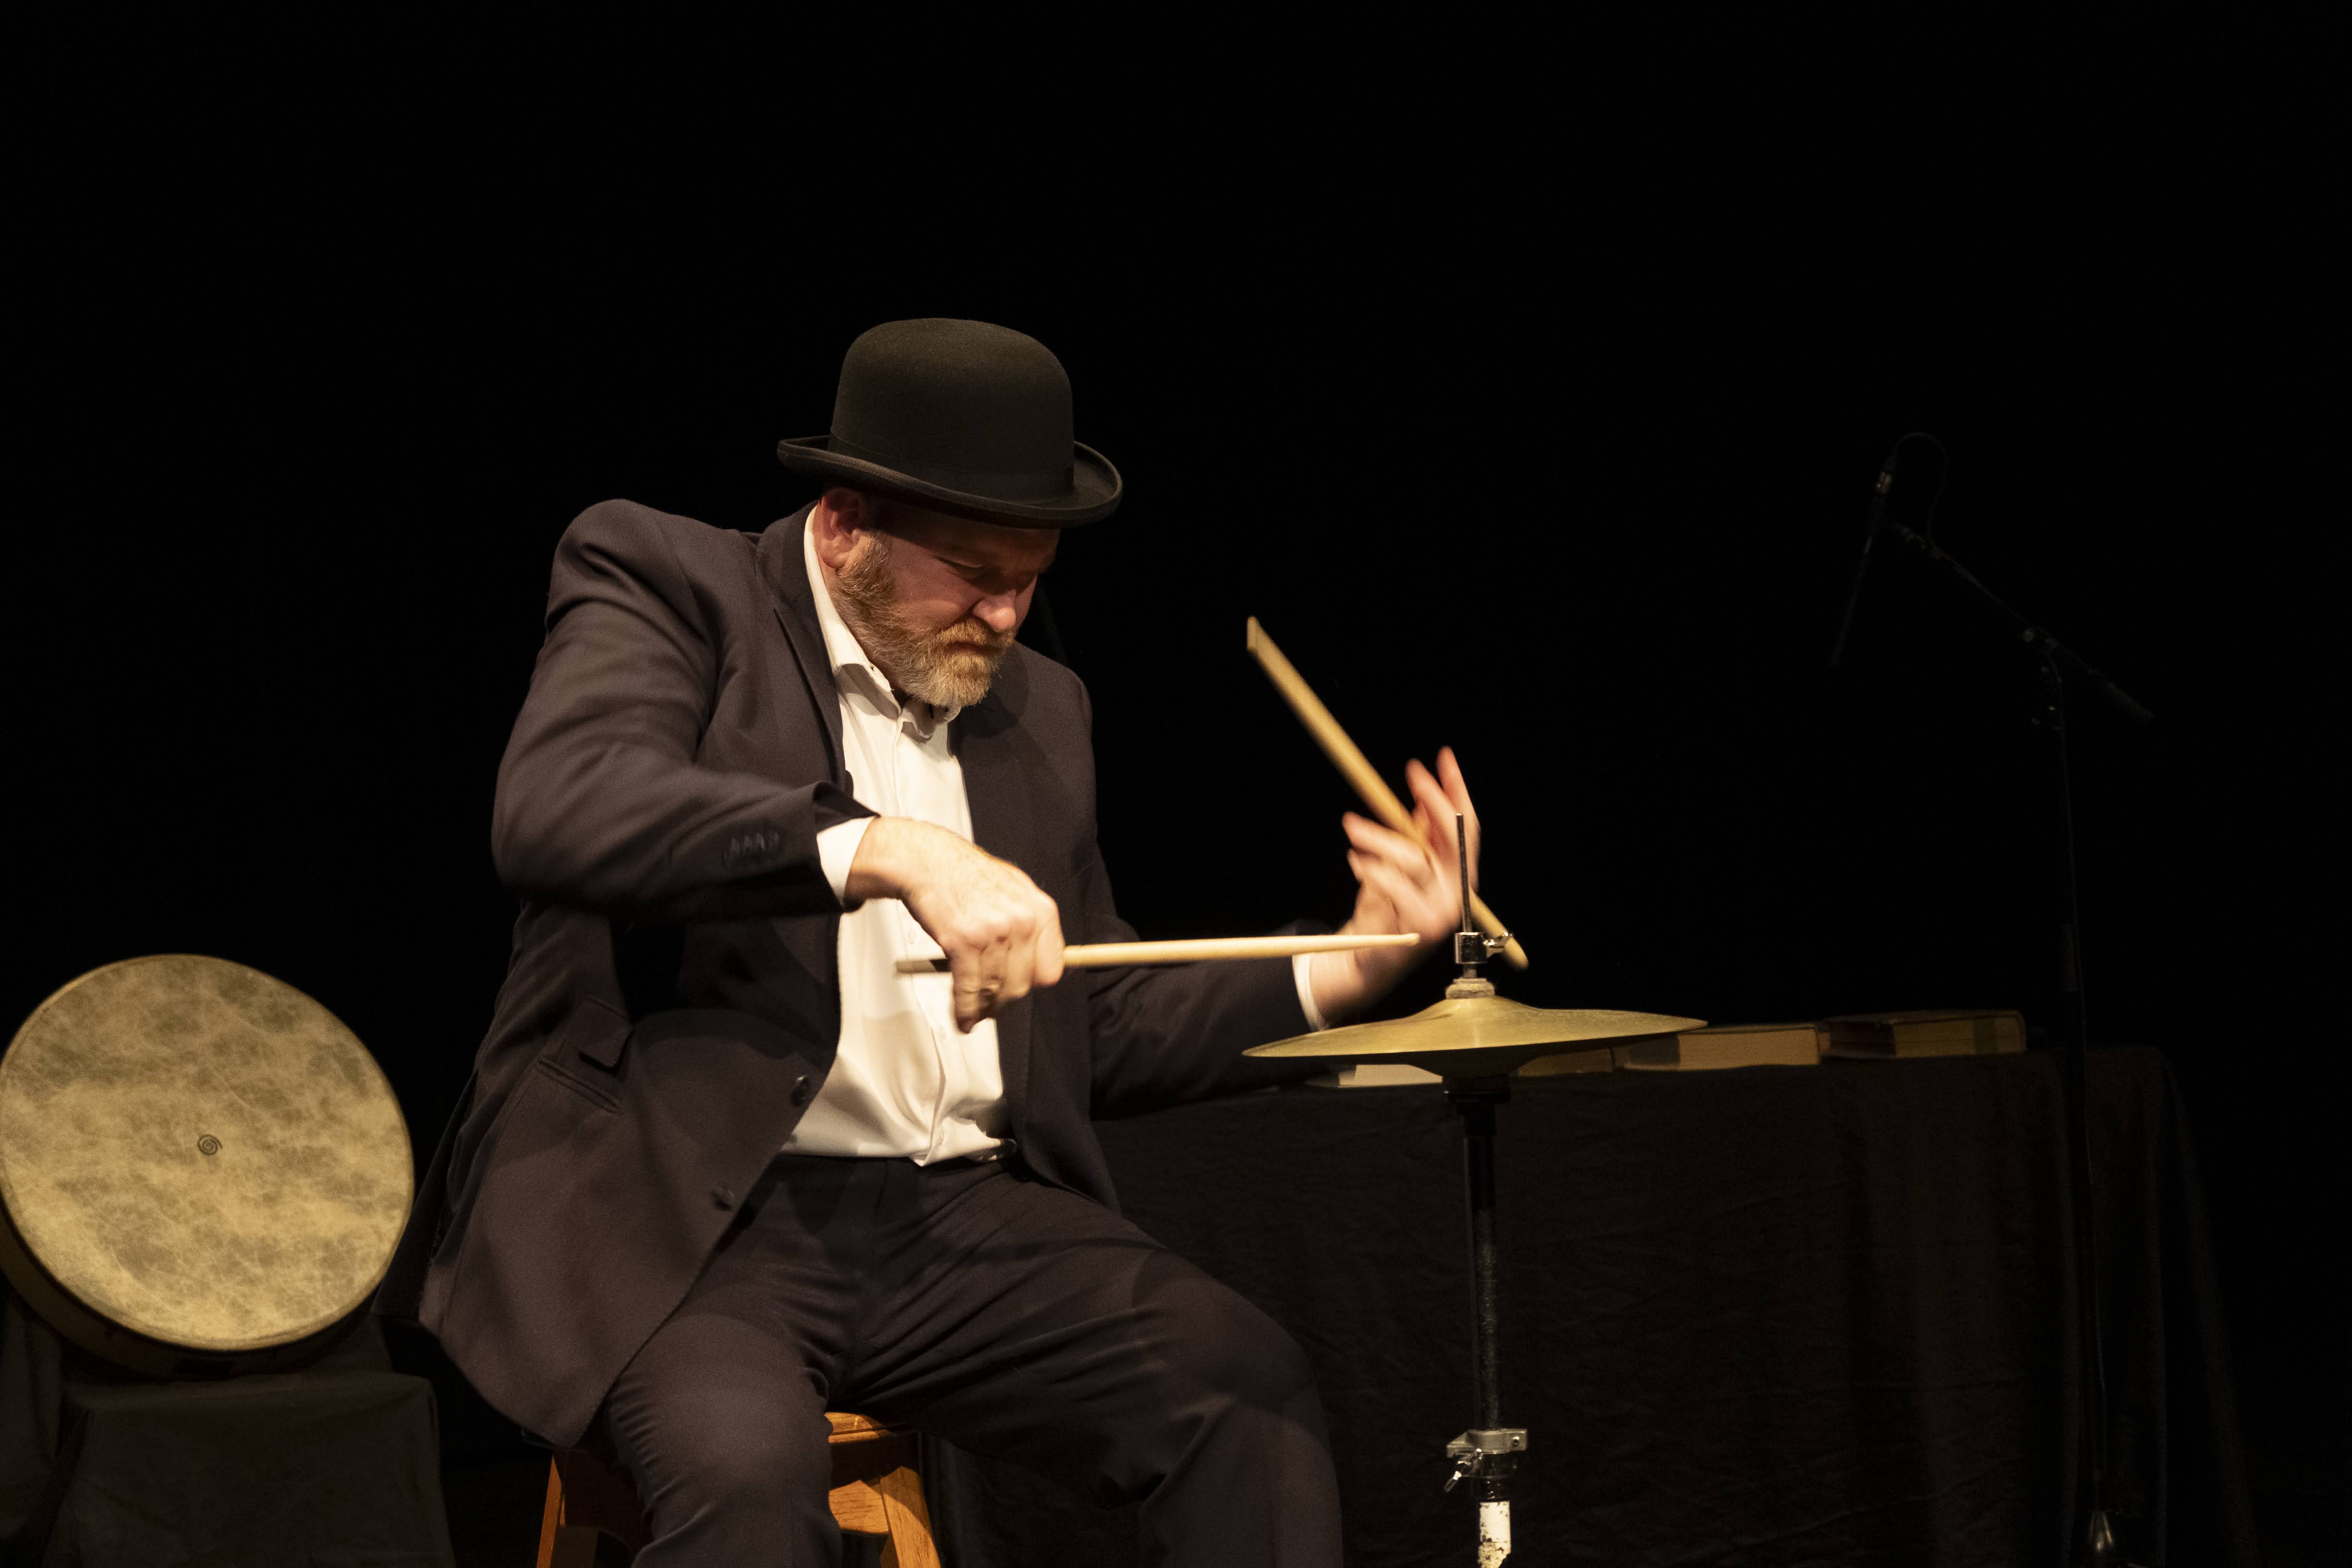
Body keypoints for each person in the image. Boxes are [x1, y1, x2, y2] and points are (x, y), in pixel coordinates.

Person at [379, 318, 1484, 1566]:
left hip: (952, 1222)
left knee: (1245, 1389)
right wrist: (885, 848)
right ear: (844, 525)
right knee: (747, 1476)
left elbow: (1094, 1026)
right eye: (972, 571)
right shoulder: (674, 582)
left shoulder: (1042, 707)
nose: (1005, 613)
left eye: (1031, 576)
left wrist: (1351, 959)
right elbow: (564, 805)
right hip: (695, 1222)